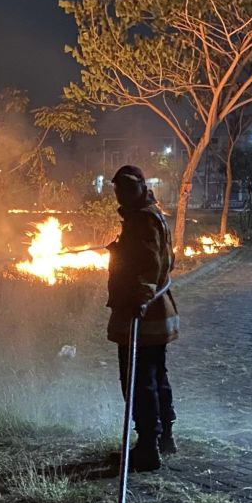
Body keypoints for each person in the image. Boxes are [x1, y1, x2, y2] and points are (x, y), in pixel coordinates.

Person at [105, 165, 179, 472]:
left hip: (142, 313)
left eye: (127, 187)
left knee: (138, 381)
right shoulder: (151, 215)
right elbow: (166, 258)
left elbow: (151, 263)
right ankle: (165, 439)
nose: (121, 193)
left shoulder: (143, 219)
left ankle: (148, 448)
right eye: (118, 188)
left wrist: (140, 297)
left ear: (140, 187)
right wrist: (120, 250)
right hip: (153, 311)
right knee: (155, 375)